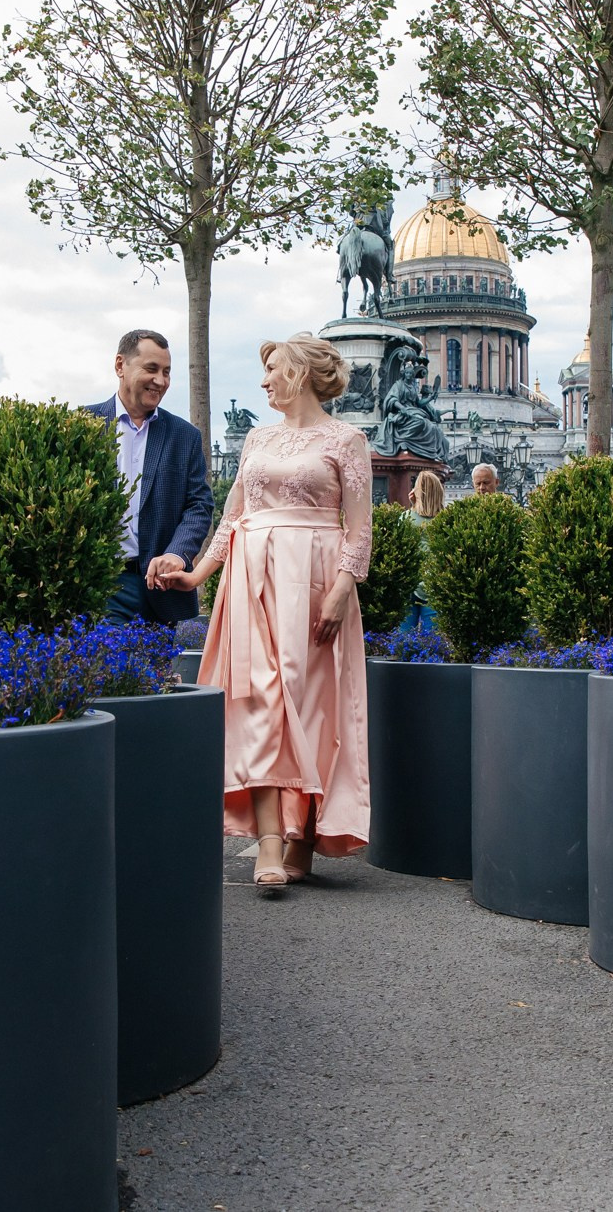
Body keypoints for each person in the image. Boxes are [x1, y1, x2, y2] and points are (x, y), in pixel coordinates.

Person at [158, 334, 372, 893]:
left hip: (317, 578)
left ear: (300, 372)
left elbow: (359, 526)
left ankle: (304, 839)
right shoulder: (257, 436)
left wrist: (343, 588)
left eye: (273, 369)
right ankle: (271, 843)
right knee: (259, 701)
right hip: (251, 579)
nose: (264, 380)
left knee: (313, 706)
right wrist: (198, 575)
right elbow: (232, 518)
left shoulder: (348, 440)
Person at [88, 329, 217, 624]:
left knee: (157, 672)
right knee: (109, 669)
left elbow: (199, 506)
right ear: (120, 365)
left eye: (167, 372)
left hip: (162, 590)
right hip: (101, 587)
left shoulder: (184, 436)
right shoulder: (83, 426)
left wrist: (177, 554)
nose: (160, 380)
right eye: (151, 369)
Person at [401, 469, 444, 632]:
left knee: (403, 636)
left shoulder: (406, 517)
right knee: (433, 639)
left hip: (410, 583)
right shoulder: (446, 519)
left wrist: (412, 506)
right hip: (434, 584)